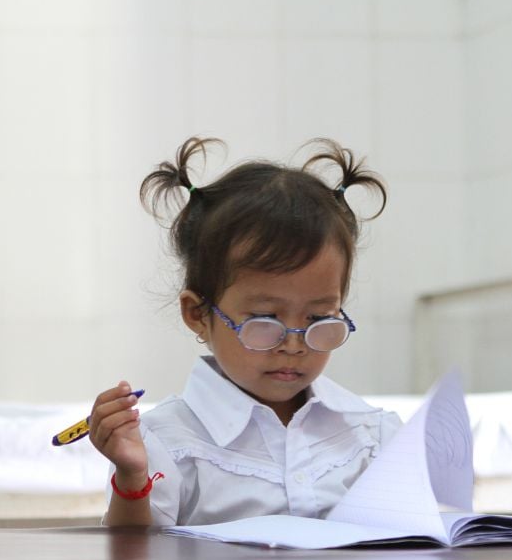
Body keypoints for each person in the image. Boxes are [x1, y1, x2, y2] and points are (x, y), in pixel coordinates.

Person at [89, 137, 401, 527]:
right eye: (265, 321)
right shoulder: (166, 441)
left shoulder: (371, 433)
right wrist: (132, 477)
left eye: (319, 319)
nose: (293, 344)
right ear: (199, 313)